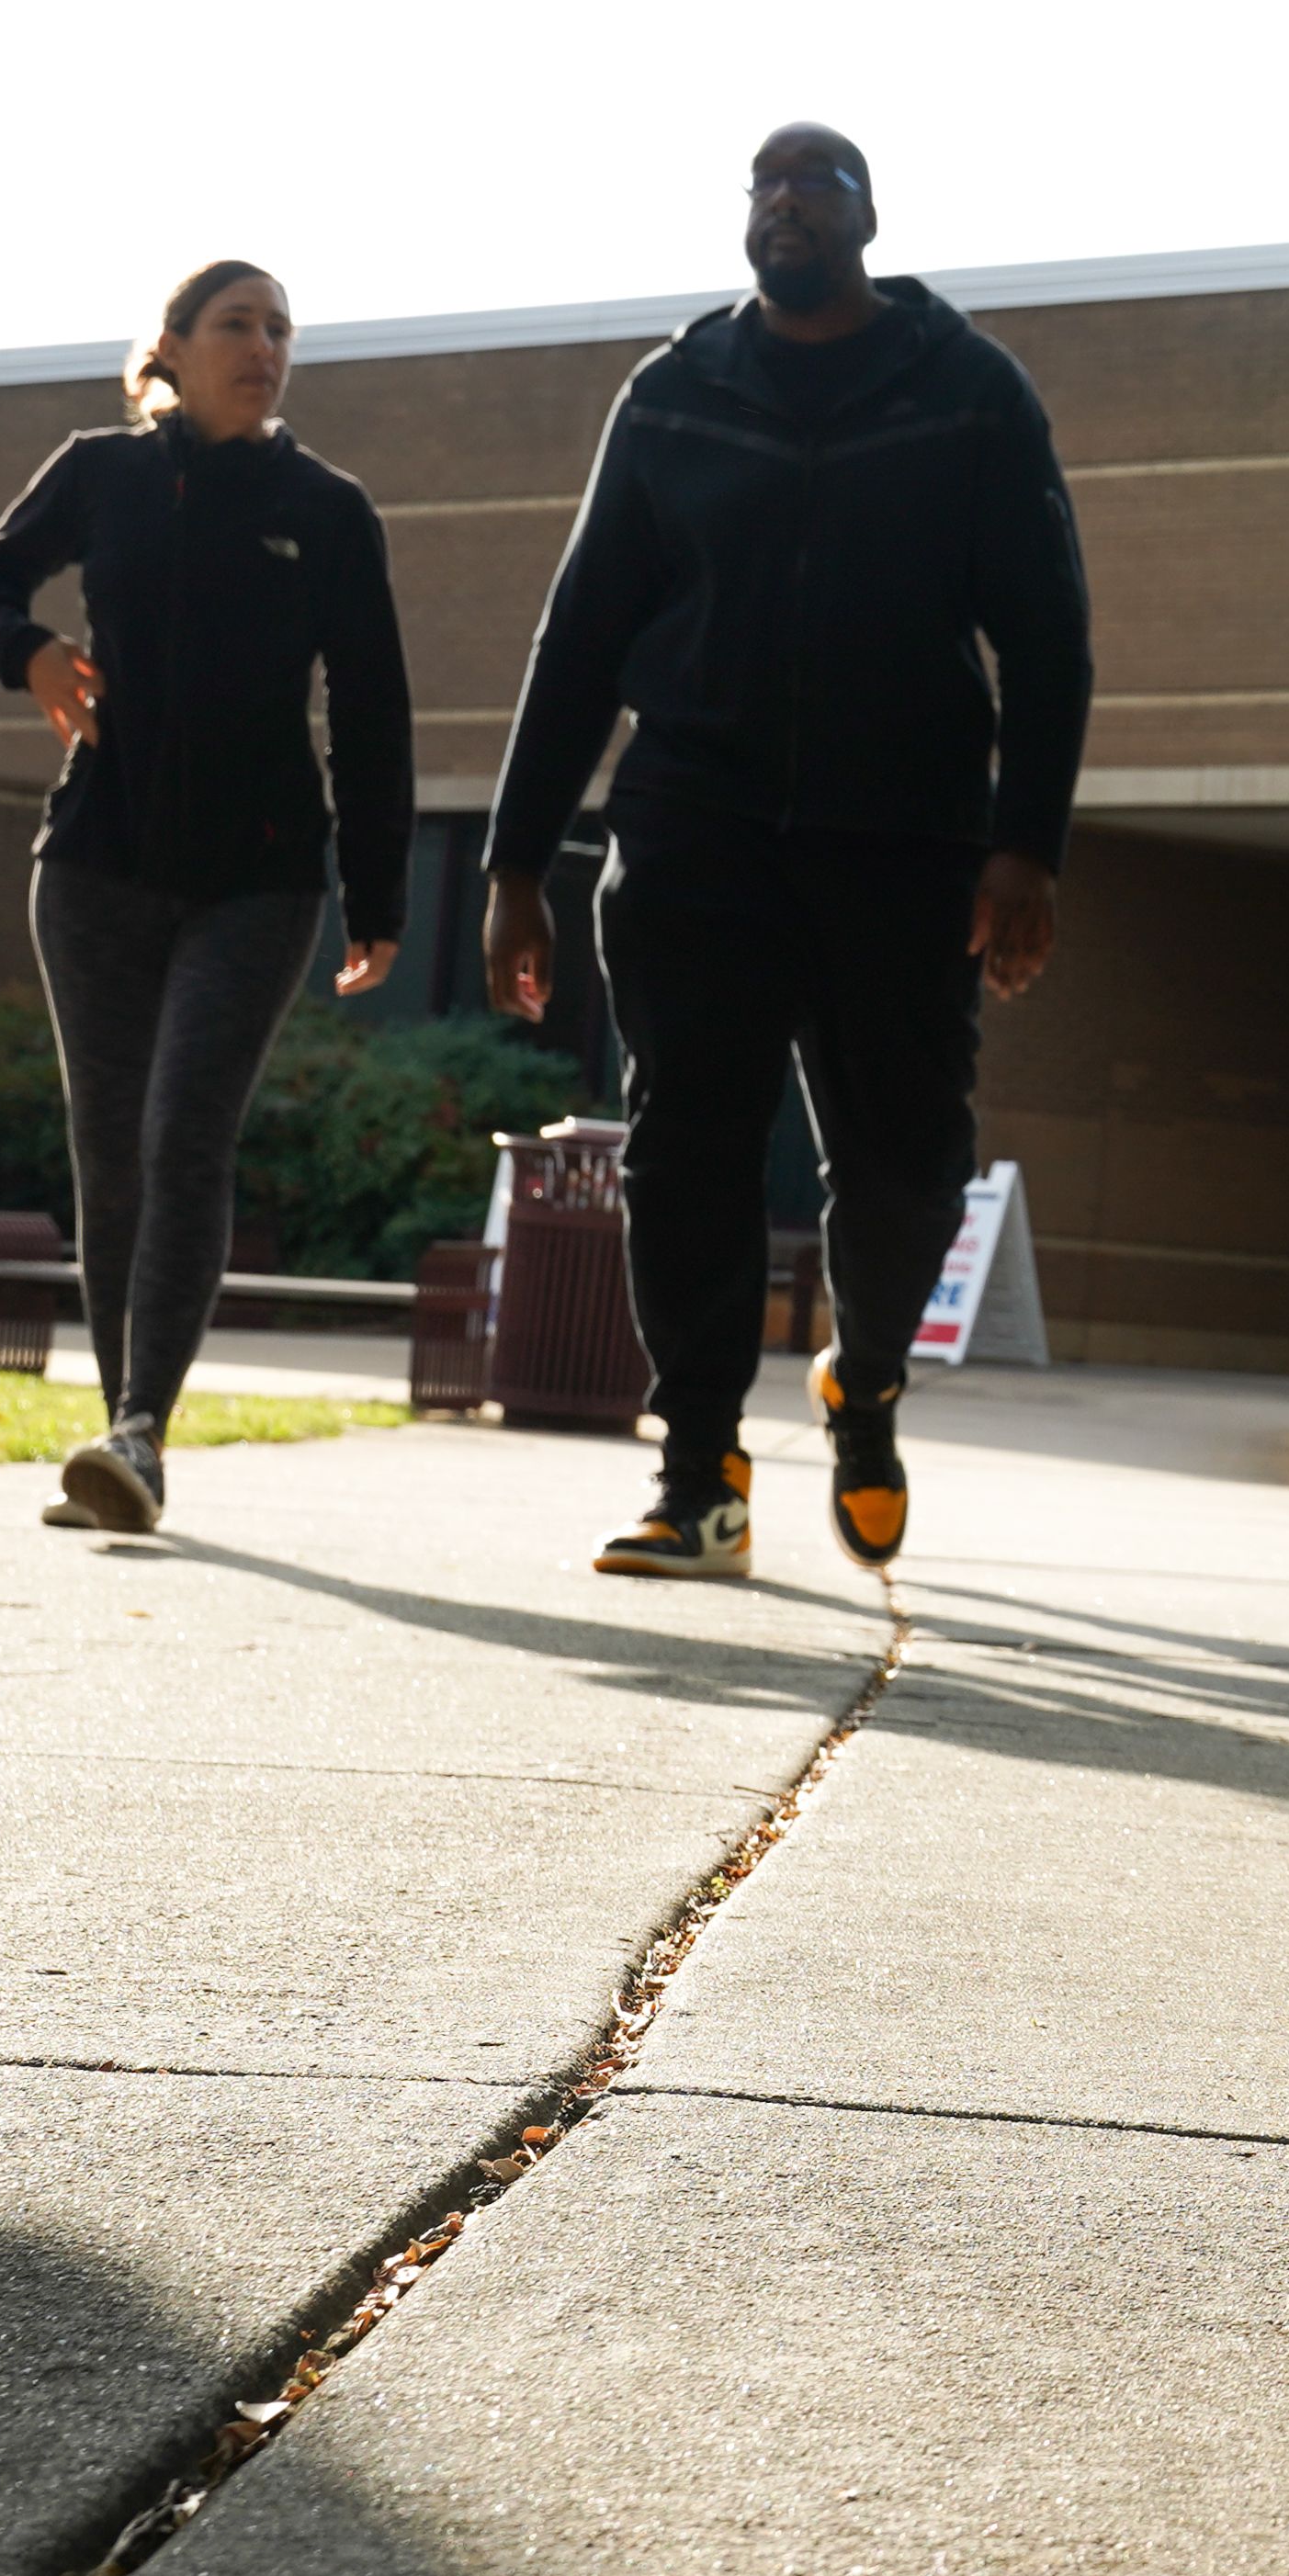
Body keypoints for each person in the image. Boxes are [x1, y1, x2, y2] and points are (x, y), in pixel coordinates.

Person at [481, 124, 1091, 1580]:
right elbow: (579, 637)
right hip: (699, 828)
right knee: (687, 1148)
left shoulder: (967, 394)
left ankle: (862, 1380)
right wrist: (513, 861)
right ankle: (701, 1474)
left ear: (870, 216)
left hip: (906, 842)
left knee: (904, 1169)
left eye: (817, 184)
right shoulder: (677, 396)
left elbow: (1050, 630)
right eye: (766, 185)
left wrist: (1027, 847)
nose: (788, 203)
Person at [0, 260, 411, 1533]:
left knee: (183, 1137)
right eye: (236, 324)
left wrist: (378, 892)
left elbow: (372, 707)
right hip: (95, 862)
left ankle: (140, 1426)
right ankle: (124, 1432)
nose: (263, 345)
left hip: (255, 882)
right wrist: (29, 649)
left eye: (279, 328)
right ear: (174, 346)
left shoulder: (327, 509)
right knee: (109, 1151)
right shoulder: (100, 472)